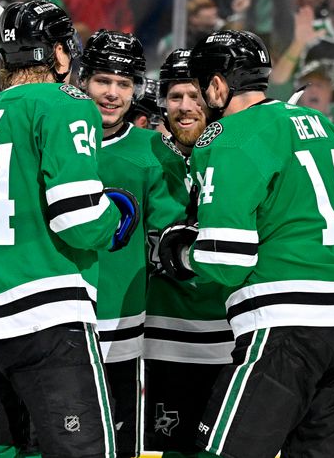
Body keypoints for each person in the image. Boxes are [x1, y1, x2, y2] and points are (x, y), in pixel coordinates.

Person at [158, 30, 334, 457]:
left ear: (217, 85)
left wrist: (180, 251)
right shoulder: (317, 122)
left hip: (289, 331)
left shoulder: (226, 139)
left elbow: (228, 261)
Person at [0, 0, 140, 457]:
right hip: (43, 314)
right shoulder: (64, 104)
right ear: (60, 53)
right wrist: (113, 216)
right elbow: (79, 219)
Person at [78, 29, 177, 457]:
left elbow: (170, 232)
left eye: (124, 84)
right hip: (49, 322)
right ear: (83, 80)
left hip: (121, 326)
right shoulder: (49, 134)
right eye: (103, 81)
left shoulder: (152, 149)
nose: (113, 93)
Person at [144, 49, 234, 457]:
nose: (185, 107)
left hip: (233, 338)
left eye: (195, 96)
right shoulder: (146, 156)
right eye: (176, 96)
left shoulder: (236, 153)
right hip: (167, 343)